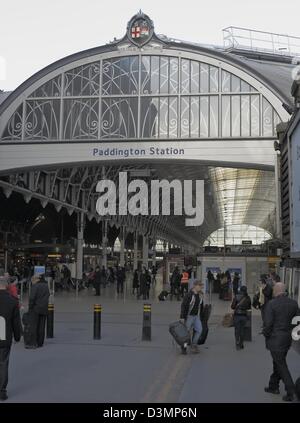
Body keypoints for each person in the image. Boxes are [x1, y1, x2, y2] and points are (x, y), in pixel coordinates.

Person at [263, 282, 299, 402]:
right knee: (278, 362)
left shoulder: (271, 304)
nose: (272, 291)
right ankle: (273, 386)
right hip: (287, 339)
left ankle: (291, 392)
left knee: (281, 365)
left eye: (273, 289)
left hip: (275, 339)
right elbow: (297, 321)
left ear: (277, 290)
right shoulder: (294, 303)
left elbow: (268, 324)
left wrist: (266, 334)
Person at [0, 276, 22, 401]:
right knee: (3, 363)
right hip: (5, 338)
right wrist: (17, 337)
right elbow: (16, 322)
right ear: (7, 286)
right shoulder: (13, 301)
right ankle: (1, 391)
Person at [180, 280, 204, 354]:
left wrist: (202, 315)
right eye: (199, 286)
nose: (201, 287)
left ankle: (194, 344)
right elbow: (183, 306)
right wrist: (182, 317)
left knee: (199, 330)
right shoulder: (189, 295)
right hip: (189, 316)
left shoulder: (200, 295)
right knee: (186, 333)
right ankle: (184, 347)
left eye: (201, 286)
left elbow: (201, 306)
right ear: (195, 286)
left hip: (196, 316)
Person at [27, 275, 50, 348]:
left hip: (35, 308)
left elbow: (32, 298)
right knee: (42, 326)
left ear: (35, 280)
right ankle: (40, 342)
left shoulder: (35, 286)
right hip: (44, 308)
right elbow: (48, 295)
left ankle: (34, 342)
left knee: (35, 325)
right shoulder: (46, 286)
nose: (32, 282)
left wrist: (30, 307)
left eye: (32, 280)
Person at [231, 285, 251, 350]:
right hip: (244, 316)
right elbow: (249, 307)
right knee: (242, 330)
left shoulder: (236, 296)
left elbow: (233, 307)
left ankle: (237, 342)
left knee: (237, 330)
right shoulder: (248, 298)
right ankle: (241, 343)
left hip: (237, 316)